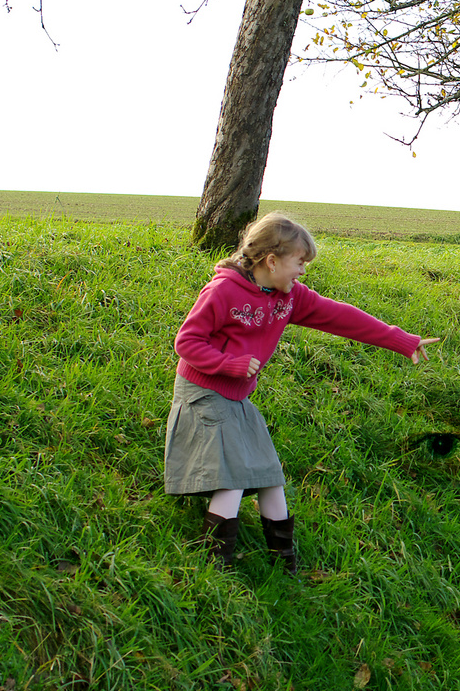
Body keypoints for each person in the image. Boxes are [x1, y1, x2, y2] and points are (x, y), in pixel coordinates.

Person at [166, 212, 438, 574]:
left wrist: (400, 340)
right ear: (272, 260)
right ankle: (212, 566)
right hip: (204, 393)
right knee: (232, 481)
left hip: (236, 398)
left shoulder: (288, 297)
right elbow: (186, 341)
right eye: (299, 262)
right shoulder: (223, 291)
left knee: (270, 477)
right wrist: (229, 364)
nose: (303, 272)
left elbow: (341, 317)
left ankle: (285, 566)